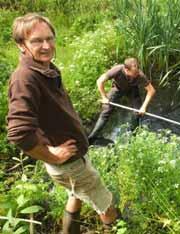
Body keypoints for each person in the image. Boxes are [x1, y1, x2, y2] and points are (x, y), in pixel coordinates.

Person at [6, 13, 120, 234]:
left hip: (71, 159)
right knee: (106, 205)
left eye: (49, 38)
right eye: (37, 41)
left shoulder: (46, 68)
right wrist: (53, 156)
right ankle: (118, 229)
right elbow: (18, 133)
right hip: (69, 164)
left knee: (75, 193)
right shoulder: (24, 79)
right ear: (21, 45)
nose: (46, 45)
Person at [87, 58, 156, 144]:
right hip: (118, 88)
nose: (136, 74)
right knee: (106, 110)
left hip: (132, 90)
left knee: (137, 113)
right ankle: (93, 137)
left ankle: (132, 136)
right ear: (126, 70)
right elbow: (99, 81)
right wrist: (104, 97)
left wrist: (143, 107)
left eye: (137, 72)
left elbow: (151, 90)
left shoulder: (139, 75)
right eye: (134, 73)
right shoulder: (117, 70)